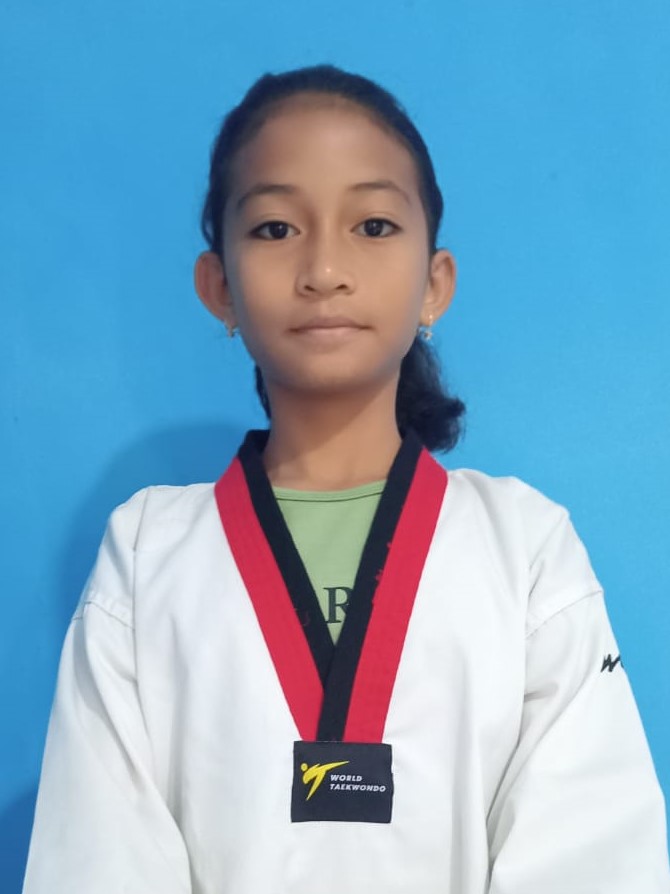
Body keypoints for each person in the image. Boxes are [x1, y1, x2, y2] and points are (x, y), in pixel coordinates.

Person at [23, 65, 669, 894]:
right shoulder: (149, 553)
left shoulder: (527, 549)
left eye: (372, 224)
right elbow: (98, 857)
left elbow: (594, 856)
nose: (325, 268)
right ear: (218, 287)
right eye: (274, 228)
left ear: (434, 283)